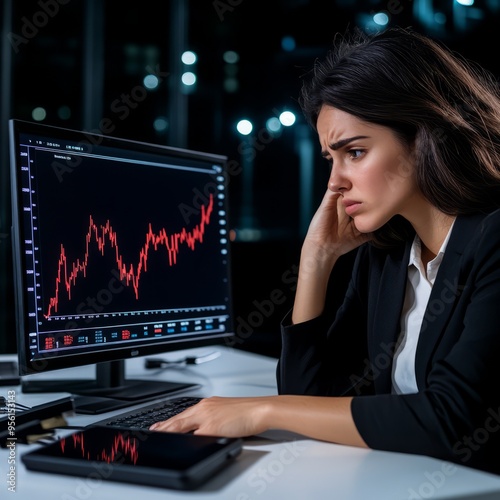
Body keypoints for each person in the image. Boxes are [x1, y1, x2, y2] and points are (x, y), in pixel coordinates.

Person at [150, 26, 500, 474]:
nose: (334, 183)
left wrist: (261, 411)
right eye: (330, 159)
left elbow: (454, 420)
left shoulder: (492, 240)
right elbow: (312, 396)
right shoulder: (389, 255)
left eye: (354, 152)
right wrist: (315, 261)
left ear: (424, 136)